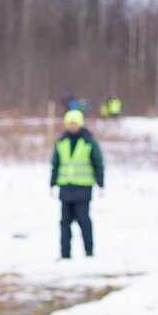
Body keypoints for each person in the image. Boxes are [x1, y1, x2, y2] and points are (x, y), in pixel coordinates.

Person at [49, 108, 104, 258]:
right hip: (66, 188)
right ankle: (65, 254)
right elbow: (55, 164)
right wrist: (52, 182)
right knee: (64, 223)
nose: (72, 126)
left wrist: (100, 182)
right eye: (70, 123)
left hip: (82, 188)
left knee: (84, 221)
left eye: (75, 123)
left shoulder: (89, 142)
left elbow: (98, 162)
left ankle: (89, 252)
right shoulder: (61, 142)